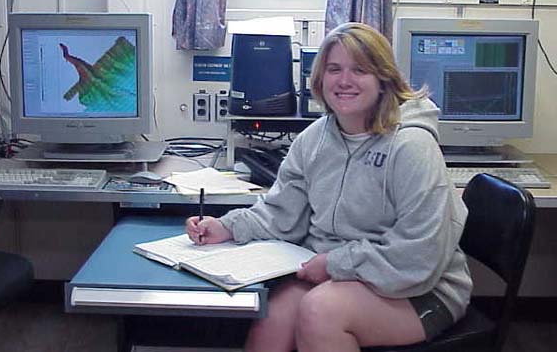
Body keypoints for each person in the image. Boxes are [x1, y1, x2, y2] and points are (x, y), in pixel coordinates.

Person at [186, 22, 472, 352]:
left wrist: (336, 263)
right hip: (342, 271)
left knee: (320, 312)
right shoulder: (315, 139)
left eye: (360, 70)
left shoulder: (411, 145)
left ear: (383, 79)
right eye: (334, 69)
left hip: (421, 286)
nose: (344, 81)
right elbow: (281, 214)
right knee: (273, 316)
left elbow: (419, 254)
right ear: (320, 78)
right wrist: (225, 227)